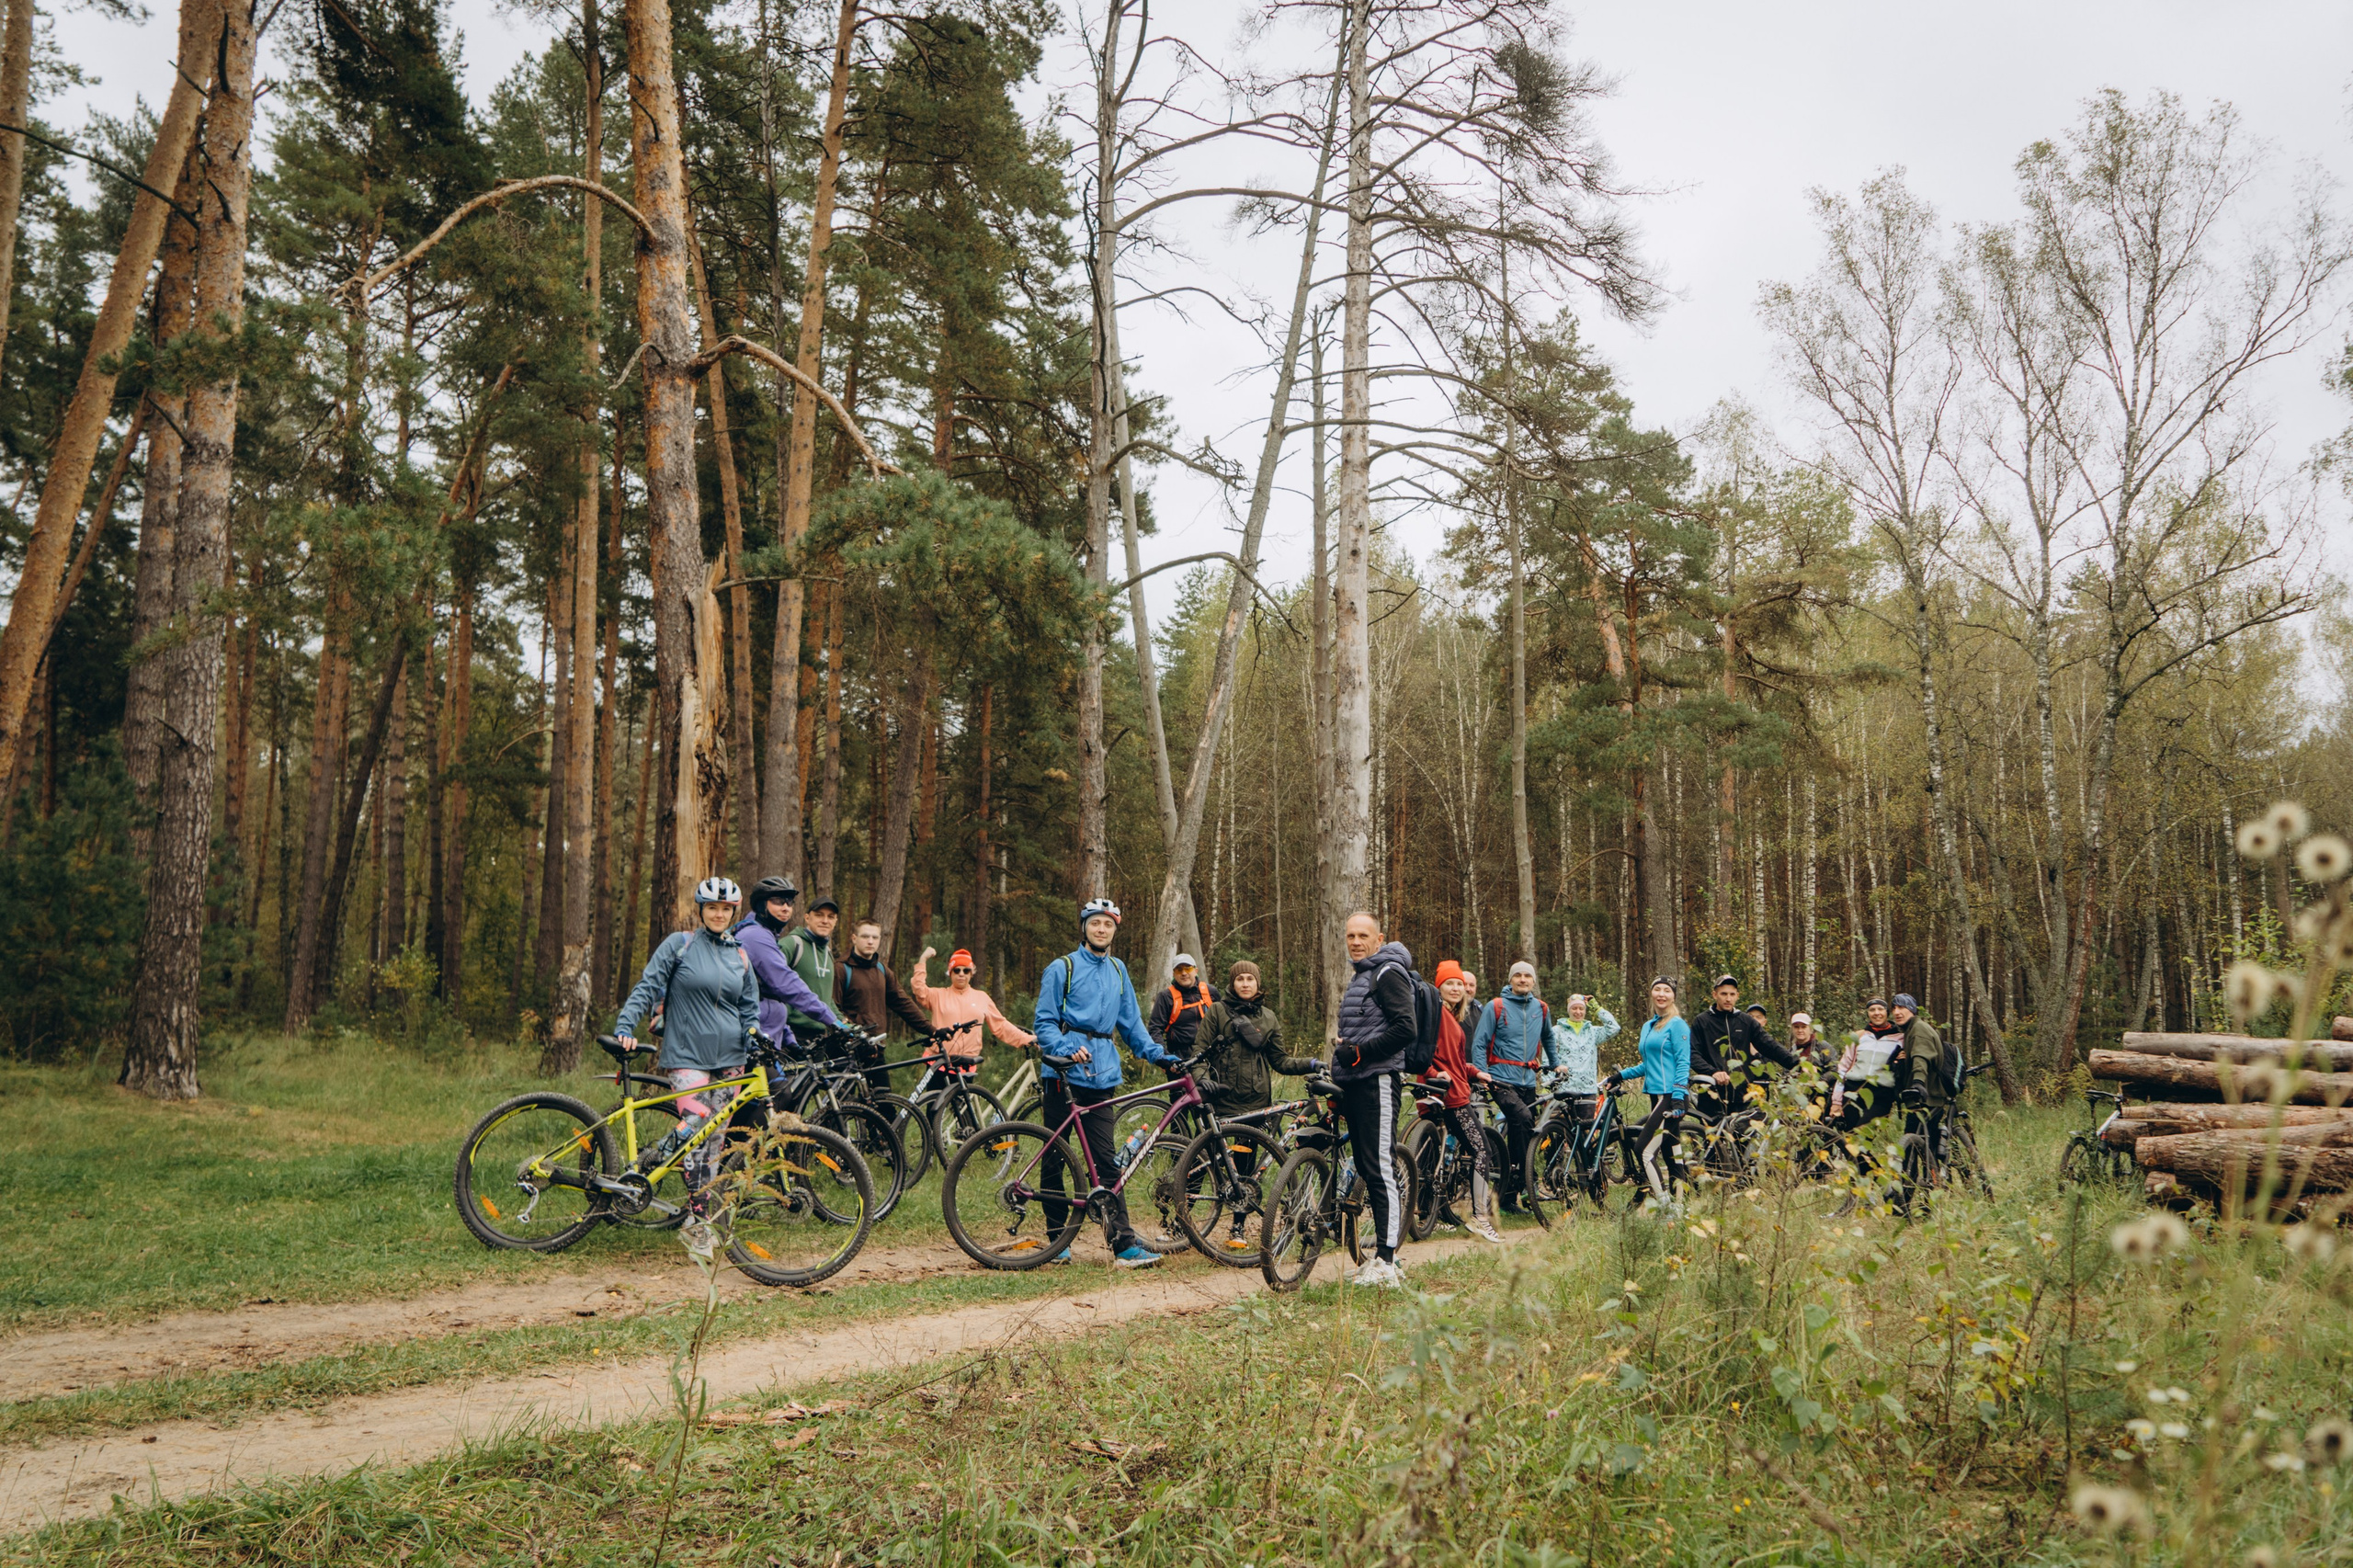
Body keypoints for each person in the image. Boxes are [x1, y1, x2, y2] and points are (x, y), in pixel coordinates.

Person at [613, 877, 766, 1262]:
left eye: (726, 909)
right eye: (712, 908)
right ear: (700, 910)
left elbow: (749, 1009)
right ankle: (698, 1224)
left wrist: (754, 1035)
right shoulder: (679, 946)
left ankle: (698, 1220)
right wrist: (624, 1027)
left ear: (733, 913)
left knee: (714, 1144)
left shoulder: (740, 955)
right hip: (687, 1057)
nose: (718, 914)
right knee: (696, 1134)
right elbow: (647, 987)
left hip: (731, 1060)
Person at [1031, 899, 1184, 1267]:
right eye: (1095, 923)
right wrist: (1068, 1048)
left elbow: (1131, 1026)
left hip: (1102, 1076)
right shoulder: (1062, 968)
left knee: (1105, 1162)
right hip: (1064, 1074)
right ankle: (1057, 1243)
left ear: (1115, 930)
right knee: (1055, 1158)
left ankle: (1123, 1245)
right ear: (1084, 927)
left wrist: (1159, 1054)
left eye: (1108, 924)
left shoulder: (1118, 970)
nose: (1101, 930)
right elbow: (1044, 1023)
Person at [1195, 960, 1324, 1252]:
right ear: (1232, 982)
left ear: (1257, 984)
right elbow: (1199, 1051)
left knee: (1246, 1170)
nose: (1244, 984)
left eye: (1250, 979)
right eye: (1239, 978)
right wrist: (1203, 1081)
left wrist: (1311, 1063)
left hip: (1255, 1104)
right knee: (1203, 1161)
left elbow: (1280, 1061)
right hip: (1220, 1102)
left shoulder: (1268, 1018)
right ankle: (1181, 1221)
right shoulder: (1217, 1011)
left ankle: (1238, 1226)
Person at [1332, 911, 1416, 1288]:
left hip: (1378, 1081)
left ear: (1379, 939)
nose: (1355, 941)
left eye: (1363, 935)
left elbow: (1405, 1029)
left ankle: (1387, 1261)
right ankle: (1383, 1260)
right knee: (1368, 1167)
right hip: (1356, 1081)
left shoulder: (1388, 973)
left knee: (1381, 1168)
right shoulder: (1361, 975)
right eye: (1350, 935)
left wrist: (1360, 1053)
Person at [1416, 960, 1501, 1243]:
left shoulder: (1452, 1017)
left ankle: (1426, 1213)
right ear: (1438, 986)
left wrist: (1476, 1072)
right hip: (1449, 1096)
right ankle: (1479, 1217)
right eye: (1449, 983)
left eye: (1459, 984)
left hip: (1446, 1090)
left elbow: (1453, 1062)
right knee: (1481, 1151)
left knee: (1433, 1158)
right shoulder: (1436, 1014)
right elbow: (1421, 1052)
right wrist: (1432, 1072)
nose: (1456, 988)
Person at [1468, 960, 1554, 1212]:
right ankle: (1523, 1185)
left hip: (1528, 1081)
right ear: (1511, 980)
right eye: (1518, 976)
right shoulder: (1496, 1006)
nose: (1523, 980)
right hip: (1500, 1079)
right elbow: (1480, 1042)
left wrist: (1556, 1064)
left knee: (1524, 1131)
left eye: (1528, 976)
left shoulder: (1541, 1008)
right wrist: (1482, 1073)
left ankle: (1509, 1195)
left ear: (1533, 981)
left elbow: (1548, 1037)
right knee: (1524, 1119)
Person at [1606, 978, 1688, 1210]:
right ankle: (1680, 1208)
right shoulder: (1649, 1026)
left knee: (1643, 1149)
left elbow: (1683, 1063)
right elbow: (1648, 1064)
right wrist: (1620, 1075)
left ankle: (1664, 1206)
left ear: (1673, 996)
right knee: (1672, 1152)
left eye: (1667, 990)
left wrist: (1679, 1096)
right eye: (1657, 989)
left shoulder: (1677, 1025)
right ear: (1651, 993)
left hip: (1672, 1097)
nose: (1662, 994)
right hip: (1657, 1097)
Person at [733, 878, 843, 1052]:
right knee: (781, 1081)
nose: (785, 908)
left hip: (770, 1037)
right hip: (752, 1041)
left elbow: (771, 998)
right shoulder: (756, 937)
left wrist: (789, 1039)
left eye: (789, 902)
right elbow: (785, 983)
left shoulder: (765, 935)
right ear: (762, 905)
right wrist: (830, 1019)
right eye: (778, 901)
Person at [835, 918, 933, 1091]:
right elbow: (833, 1008)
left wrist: (930, 1029)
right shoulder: (841, 969)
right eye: (865, 936)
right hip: (847, 1050)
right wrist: (852, 1033)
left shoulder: (882, 970)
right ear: (854, 938)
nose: (870, 941)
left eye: (875, 937)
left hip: (876, 1048)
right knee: (842, 1109)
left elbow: (902, 1003)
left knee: (884, 1108)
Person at [1688, 973, 1797, 1119]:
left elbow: (1770, 1046)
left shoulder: (1746, 1021)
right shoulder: (1702, 1021)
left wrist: (1797, 1064)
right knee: (1713, 1141)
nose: (1728, 999)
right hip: (1712, 1095)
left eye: (1732, 994)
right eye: (1723, 994)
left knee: (1743, 1141)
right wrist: (1713, 1072)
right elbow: (1692, 1054)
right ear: (1715, 995)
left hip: (1742, 1096)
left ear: (1737, 996)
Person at [910, 945, 1036, 1068]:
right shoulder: (938, 995)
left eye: (966, 970)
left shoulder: (982, 998)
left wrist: (1025, 1038)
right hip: (939, 1062)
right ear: (950, 972)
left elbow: (1000, 1025)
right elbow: (919, 990)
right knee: (936, 1090)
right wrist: (923, 960)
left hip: (966, 1065)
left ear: (971, 973)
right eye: (956, 970)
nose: (961, 974)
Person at [1891, 994, 1956, 1169]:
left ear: (1911, 1009)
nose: (1897, 1012)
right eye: (1894, 1008)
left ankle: (1907, 1188)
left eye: (1901, 1007)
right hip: (1924, 1098)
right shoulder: (1910, 1030)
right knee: (1929, 1143)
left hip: (1929, 1097)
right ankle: (1936, 1182)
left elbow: (1922, 1057)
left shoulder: (1918, 1029)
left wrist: (1918, 1082)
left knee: (1911, 1141)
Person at [1552, 992, 1621, 1126]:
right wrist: (1549, 1084)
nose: (1578, 1012)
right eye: (1574, 1008)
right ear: (1569, 1010)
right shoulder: (1557, 1031)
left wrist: (1596, 1007)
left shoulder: (1593, 1032)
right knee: (1560, 1133)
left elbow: (1614, 1028)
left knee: (1585, 1132)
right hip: (1563, 1090)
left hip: (1587, 1090)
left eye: (1581, 1008)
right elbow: (1548, 1058)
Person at [779, 893, 842, 1040]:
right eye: (819, 915)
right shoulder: (791, 944)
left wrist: (841, 1022)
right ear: (807, 918)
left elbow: (825, 997)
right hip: (790, 1034)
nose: (825, 921)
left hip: (819, 1036)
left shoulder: (827, 952)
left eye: (831, 917)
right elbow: (770, 983)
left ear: (836, 921)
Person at [1147, 953, 1219, 1065]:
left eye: (1188, 968)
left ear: (1196, 970)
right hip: (1181, 1060)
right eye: (1179, 970)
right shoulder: (1166, 997)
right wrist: (1166, 1058)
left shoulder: (1210, 992)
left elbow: (1224, 1022)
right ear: (1173, 974)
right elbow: (1155, 1030)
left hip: (1211, 1056)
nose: (1184, 973)